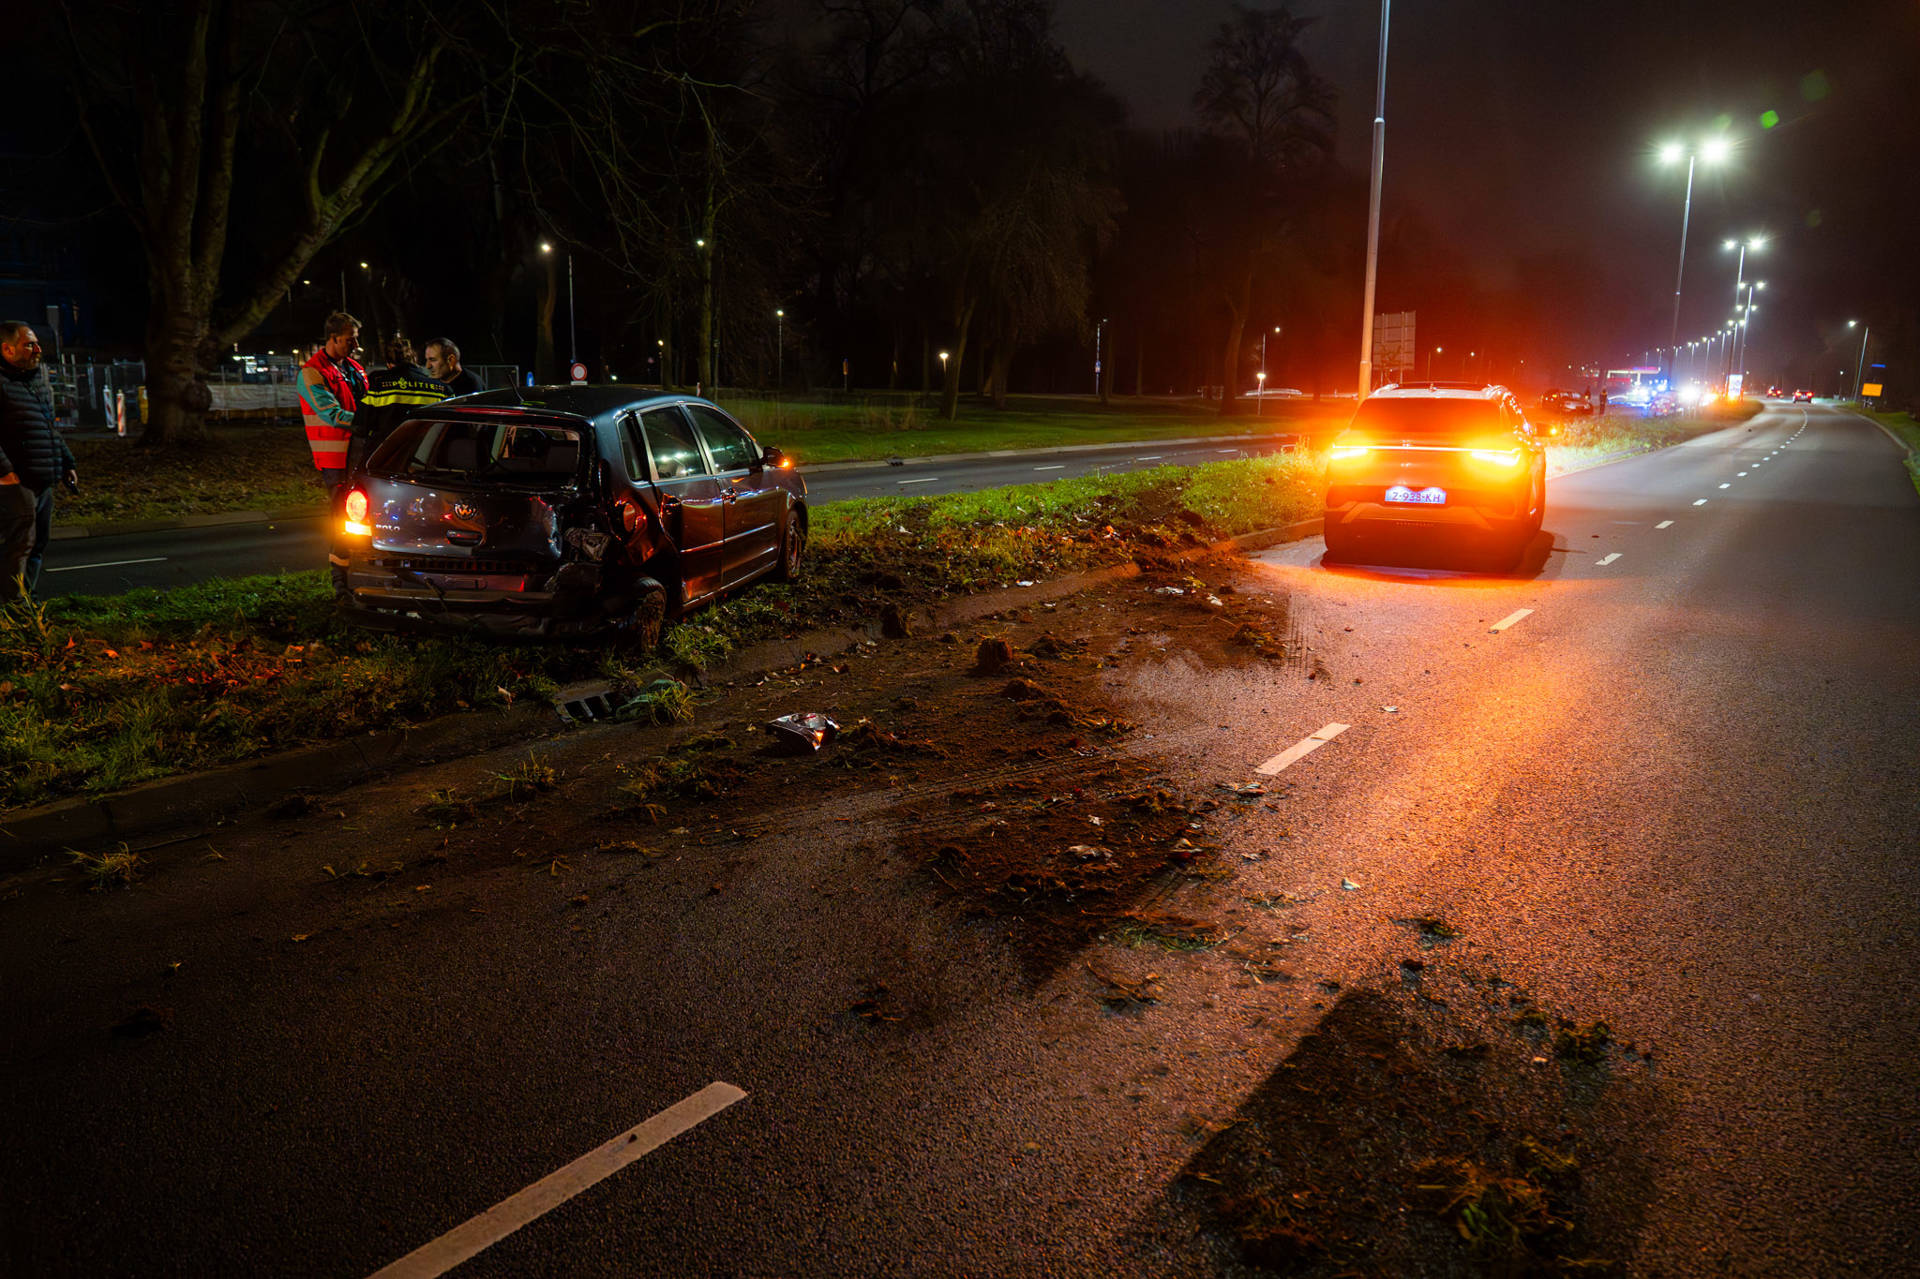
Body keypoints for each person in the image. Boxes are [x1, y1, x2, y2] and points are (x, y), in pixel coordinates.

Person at [0, 321, 78, 601]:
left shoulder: (37, 379)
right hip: (15, 482)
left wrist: (66, 462)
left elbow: (47, 426)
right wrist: (6, 473)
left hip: (43, 476)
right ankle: (14, 605)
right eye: (28, 344)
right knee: (20, 543)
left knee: (38, 544)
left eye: (36, 343)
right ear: (6, 349)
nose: (37, 349)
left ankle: (27, 598)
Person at [297, 312, 368, 495]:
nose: (356, 345)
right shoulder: (311, 372)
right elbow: (331, 414)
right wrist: (369, 422)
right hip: (335, 458)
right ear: (334, 338)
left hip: (358, 449)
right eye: (350, 340)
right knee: (341, 508)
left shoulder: (355, 368)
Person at [353, 333, 450, 466]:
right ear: (415, 360)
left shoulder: (377, 385)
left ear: (388, 364)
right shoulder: (442, 390)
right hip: (427, 462)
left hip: (382, 460)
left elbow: (361, 426)